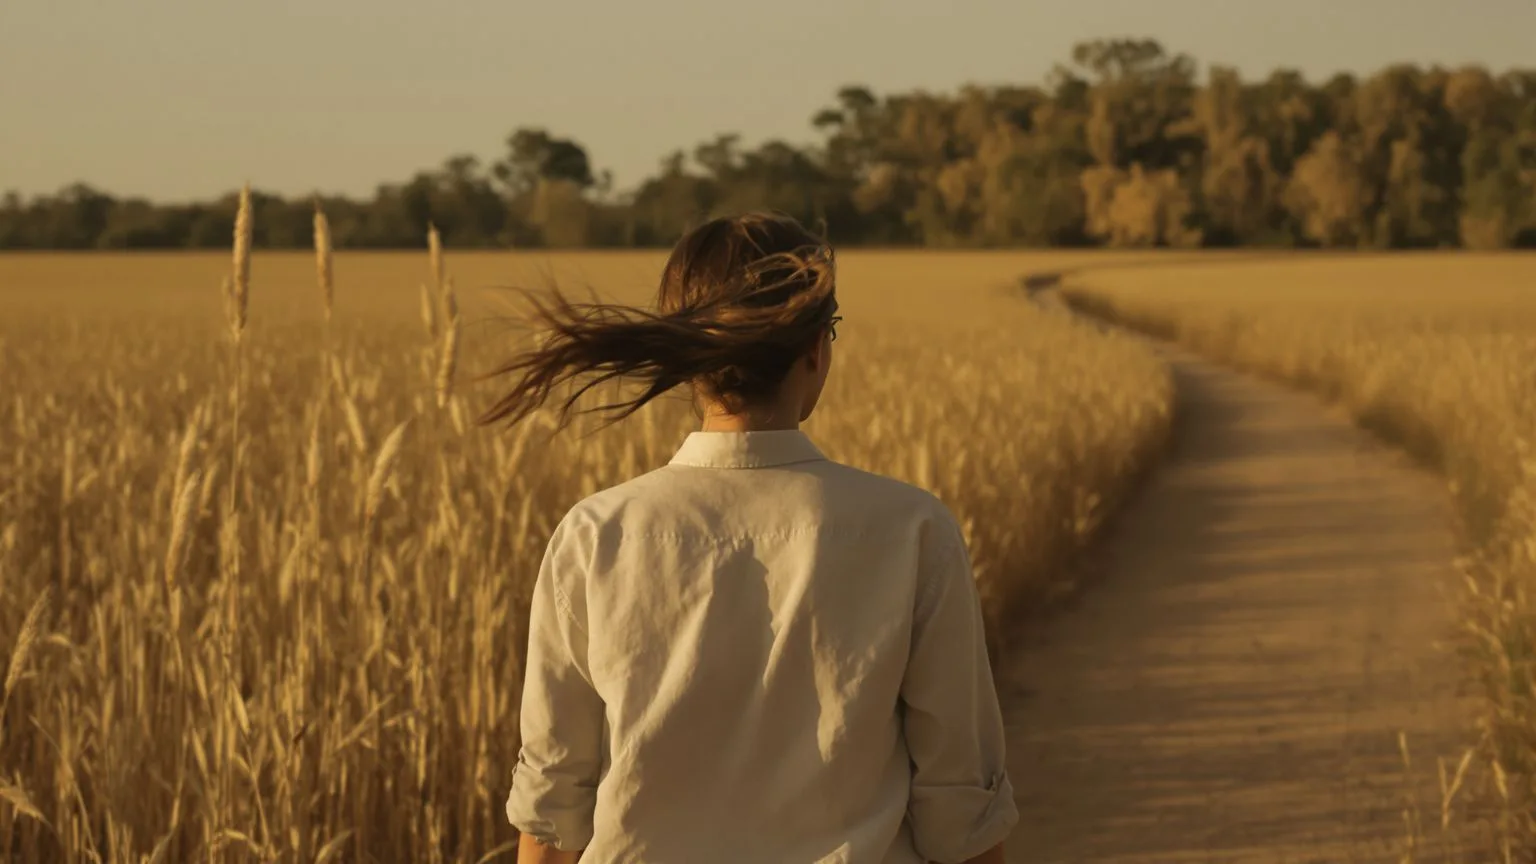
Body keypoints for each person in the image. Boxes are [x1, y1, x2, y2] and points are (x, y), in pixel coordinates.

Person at [481, 212, 1017, 863]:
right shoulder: (913, 530)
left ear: (687, 362)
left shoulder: (597, 535)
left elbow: (552, 800)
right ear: (815, 350)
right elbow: (960, 804)